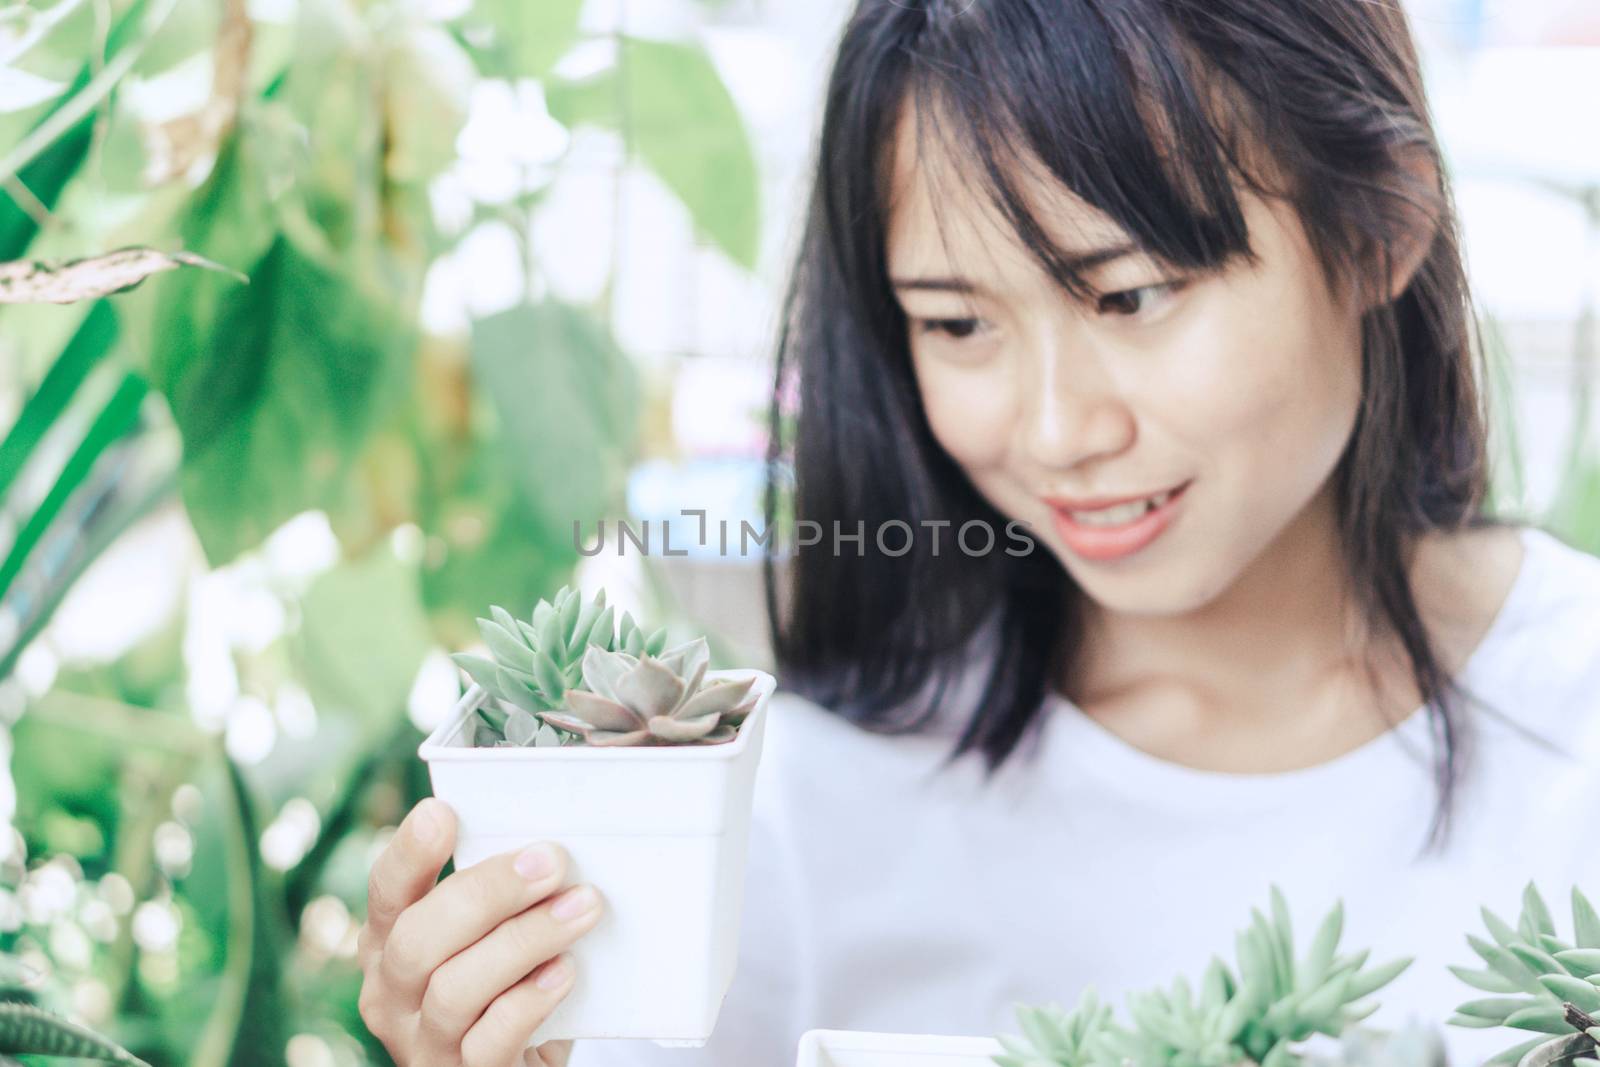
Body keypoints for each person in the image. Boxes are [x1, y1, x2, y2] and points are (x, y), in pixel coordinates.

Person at [356, 0, 1600, 1064]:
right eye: (956, 324)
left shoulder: (1575, 729)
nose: (1057, 427)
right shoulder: (790, 811)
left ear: (1381, 226)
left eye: (1133, 293)